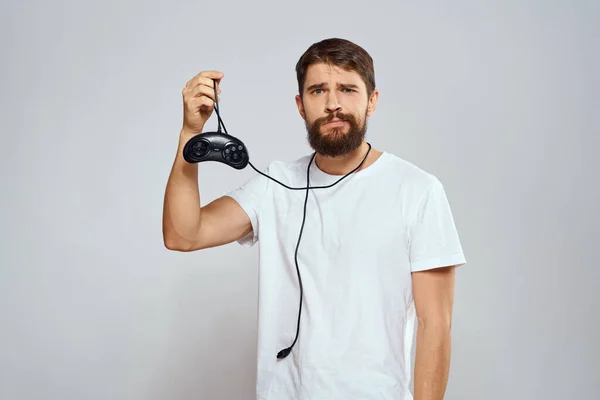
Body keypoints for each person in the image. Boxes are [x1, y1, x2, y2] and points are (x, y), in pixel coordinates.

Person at [162, 37, 467, 400]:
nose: (333, 104)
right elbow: (184, 234)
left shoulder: (418, 190)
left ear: (372, 100)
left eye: (348, 89)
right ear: (300, 105)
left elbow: (436, 324)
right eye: (318, 90)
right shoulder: (275, 185)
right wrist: (189, 135)